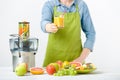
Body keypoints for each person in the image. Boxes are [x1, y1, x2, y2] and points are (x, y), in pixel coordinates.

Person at [41, 0, 96, 67]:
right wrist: (47, 26)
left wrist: (81, 59)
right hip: (53, 63)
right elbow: (44, 22)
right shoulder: (50, 4)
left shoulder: (81, 5)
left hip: (76, 62)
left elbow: (91, 33)